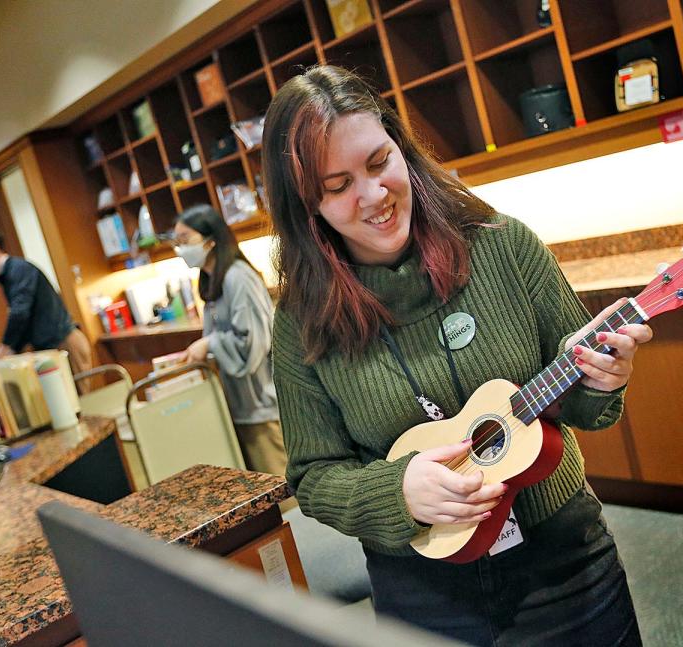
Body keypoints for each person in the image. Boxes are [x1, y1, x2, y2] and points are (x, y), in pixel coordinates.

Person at [261, 65, 654, 646]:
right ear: (306, 204)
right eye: (338, 185)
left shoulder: (504, 246)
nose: (373, 196)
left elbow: (587, 407)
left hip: (564, 564)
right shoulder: (301, 321)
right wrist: (395, 493)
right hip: (423, 593)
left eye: (378, 163)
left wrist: (603, 379)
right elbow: (314, 478)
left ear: (403, 149)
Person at [173, 204, 287, 479]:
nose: (179, 248)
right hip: (242, 404)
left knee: (281, 486)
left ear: (211, 240)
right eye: (176, 242)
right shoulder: (213, 281)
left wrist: (210, 344)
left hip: (262, 403)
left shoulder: (239, 277)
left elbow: (253, 344)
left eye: (185, 239)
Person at [0, 225, 92, 382]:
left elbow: (19, 313)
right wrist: (7, 353)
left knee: (76, 403)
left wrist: (2, 352)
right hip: (51, 349)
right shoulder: (9, 275)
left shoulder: (19, 269)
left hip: (64, 344)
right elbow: (24, 319)